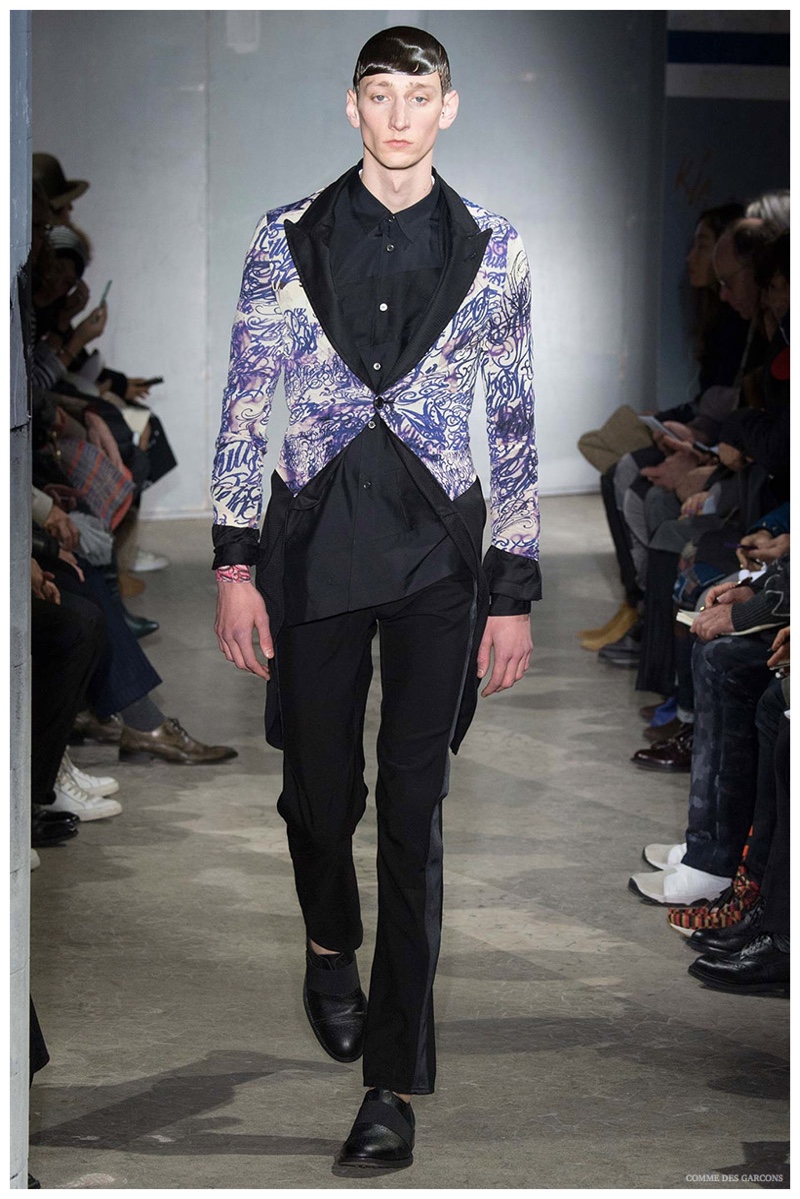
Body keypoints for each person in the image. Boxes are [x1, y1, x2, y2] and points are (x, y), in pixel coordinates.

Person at [211, 26, 540, 1171]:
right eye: (379, 94)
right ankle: (326, 936)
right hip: (313, 540)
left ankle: (390, 1083)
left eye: (418, 95)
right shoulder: (285, 237)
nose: (398, 116)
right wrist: (233, 562)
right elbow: (246, 399)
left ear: (448, 107)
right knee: (317, 796)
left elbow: (513, 416)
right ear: (350, 107)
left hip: (438, 553)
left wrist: (512, 585)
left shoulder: (493, 248)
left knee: (413, 809)